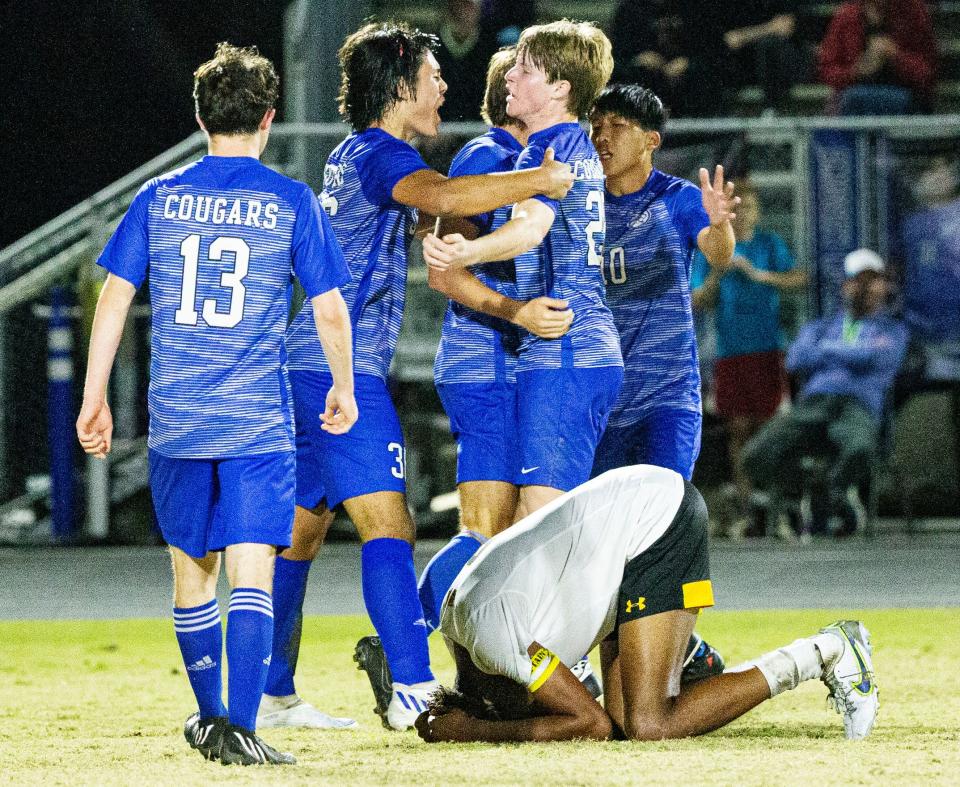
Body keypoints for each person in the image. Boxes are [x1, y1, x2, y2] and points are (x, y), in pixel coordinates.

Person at [269, 21, 575, 733]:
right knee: (390, 524)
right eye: (433, 77)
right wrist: (541, 179)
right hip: (337, 370)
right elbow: (443, 197)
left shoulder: (360, 155)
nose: (444, 87)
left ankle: (272, 689)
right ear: (400, 88)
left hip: (308, 361)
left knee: (300, 534)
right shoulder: (381, 153)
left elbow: (423, 207)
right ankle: (410, 681)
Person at [76, 43, 357, 765]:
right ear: (268, 119)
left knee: (191, 571)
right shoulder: (289, 199)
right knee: (252, 566)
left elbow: (114, 296)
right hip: (255, 419)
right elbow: (328, 308)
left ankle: (213, 721)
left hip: (178, 416)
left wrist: (94, 393)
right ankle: (240, 724)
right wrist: (344, 385)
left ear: (201, 116)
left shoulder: (159, 196)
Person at [414, 465, 879, 743]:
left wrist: (474, 732)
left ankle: (828, 650)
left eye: (531, 705)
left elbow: (586, 724)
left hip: (656, 520)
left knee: (649, 724)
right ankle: (687, 655)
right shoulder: (475, 633)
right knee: (627, 719)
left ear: (493, 698)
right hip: (626, 535)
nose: (541, 709)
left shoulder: (493, 640)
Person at [424, 20, 624, 522]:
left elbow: (531, 226)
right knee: (524, 529)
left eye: (525, 68)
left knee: (534, 528)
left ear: (561, 88)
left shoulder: (549, 149)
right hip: (563, 348)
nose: (510, 76)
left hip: (566, 349)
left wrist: (461, 254)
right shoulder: (559, 149)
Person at [587, 84, 737, 485]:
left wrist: (720, 224)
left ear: (650, 140)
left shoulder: (677, 198)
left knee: (661, 513)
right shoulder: (582, 205)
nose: (602, 136)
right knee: (605, 530)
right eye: (596, 126)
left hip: (667, 398)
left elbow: (718, 254)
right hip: (600, 400)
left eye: (618, 126)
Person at [741, 249, 909, 536]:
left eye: (874, 281)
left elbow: (879, 358)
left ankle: (836, 494)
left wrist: (827, 351)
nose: (867, 288)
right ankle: (804, 492)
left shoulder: (893, 330)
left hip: (858, 405)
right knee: (755, 454)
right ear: (846, 285)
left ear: (884, 286)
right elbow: (795, 359)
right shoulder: (822, 326)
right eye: (859, 281)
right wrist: (853, 353)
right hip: (815, 405)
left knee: (860, 447)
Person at [691, 180, 807, 534]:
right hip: (730, 352)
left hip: (768, 350)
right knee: (738, 431)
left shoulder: (769, 245)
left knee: (770, 429)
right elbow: (697, 299)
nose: (743, 216)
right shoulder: (712, 249)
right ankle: (747, 507)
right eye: (737, 209)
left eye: (750, 208)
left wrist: (759, 275)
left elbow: (799, 278)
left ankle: (776, 508)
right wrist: (718, 273)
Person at [817, 0, 936, 115]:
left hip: (904, 93)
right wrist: (855, 72)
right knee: (851, 99)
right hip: (853, 92)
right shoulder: (846, 16)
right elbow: (827, 70)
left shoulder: (913, 13)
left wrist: (895, 56)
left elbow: (927, 73)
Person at [433, 0, 498, 122]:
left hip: (479, 126)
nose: (462, 13)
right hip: (440, 128)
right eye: (457, 6)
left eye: (468, 7)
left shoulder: (490, 45)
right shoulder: (433, 46)